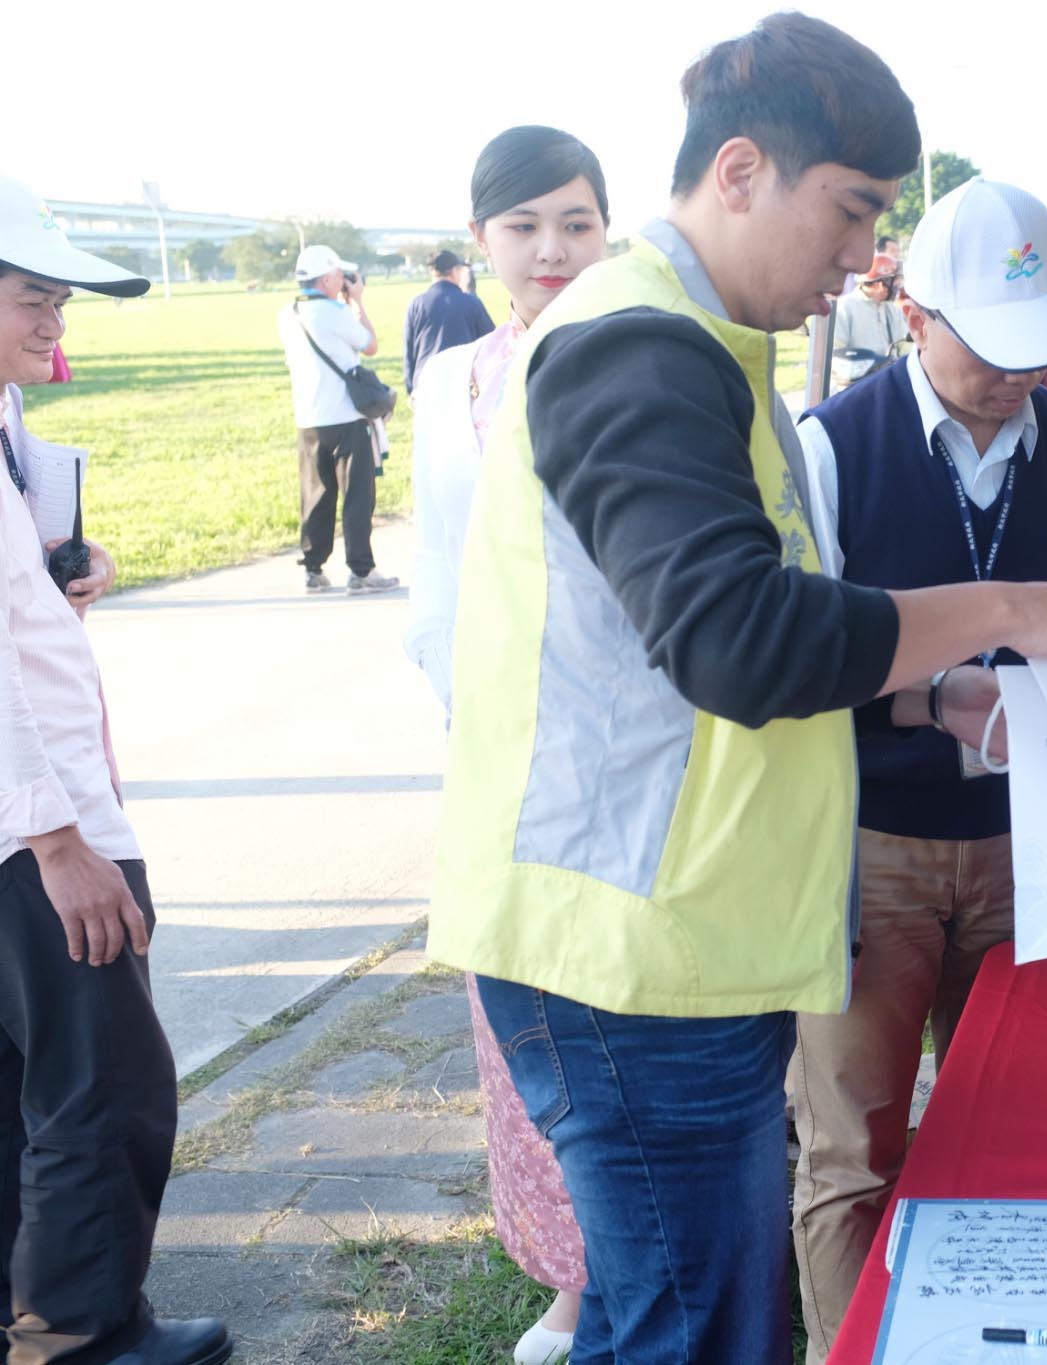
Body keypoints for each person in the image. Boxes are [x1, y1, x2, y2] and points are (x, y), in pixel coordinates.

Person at [428, 16, 1047, 1362]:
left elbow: (745, 659)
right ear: (741, 171)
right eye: (854, 209)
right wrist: (1007, 611)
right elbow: (742, 643)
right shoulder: (641, 346)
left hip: (688, 938)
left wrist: (933, 702)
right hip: (628, 954)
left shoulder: (700, 345)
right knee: (691, 1329)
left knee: (703, 1318)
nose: (863, 258)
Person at [790, 176, 1047, 1365]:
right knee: (852, 1148)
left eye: (1042, 349)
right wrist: (931, 699)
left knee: (1025, 1123)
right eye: (992, 347)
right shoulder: (831, 449)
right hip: (868, 850)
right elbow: (794, 674)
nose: (1020, 376)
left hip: (1029, 847)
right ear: (910, 314)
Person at [0, 175, 232, 1365]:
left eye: (60, 303)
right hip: (37, 830)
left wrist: (56, 572)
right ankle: (84, 1335)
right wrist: (57, 842)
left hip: (29, 818)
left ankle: (28, 1316)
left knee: (29, 1083)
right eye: (34, 299)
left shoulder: (7, 424)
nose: (56, 325)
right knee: (105, 1085)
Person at [401, 125, 609, 1365]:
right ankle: (574, 1282)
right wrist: (471, 710)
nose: (549, 249)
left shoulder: (657, 359)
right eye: (523, 226)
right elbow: (435, 579)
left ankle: (665, 1263)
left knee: (633, 1024)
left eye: (576, 223)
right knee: (523, 1026)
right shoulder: (451, 383)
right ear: (479, 240)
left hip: (632, 757)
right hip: (498, 754)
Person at [278, 244, 398, 595]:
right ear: (329, 277)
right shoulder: (336, 312)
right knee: (358, 495)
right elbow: (370, 345)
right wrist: (357, 300)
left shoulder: (288, 314)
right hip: (346, 416)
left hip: (308, 417)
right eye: (339, 276)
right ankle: (362, 570)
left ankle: (313, 569)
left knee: (316, 494)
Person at [402, 248, 494, 393]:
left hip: (425, 383)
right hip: (461, 383)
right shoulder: (471, 302)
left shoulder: (416, 304)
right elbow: (491, 343)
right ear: (454, 270)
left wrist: (410, 389)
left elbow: (409, 351)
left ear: (432, 272)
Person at [827, 252, 908, 388]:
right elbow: (836, 353)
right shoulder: (845, 307)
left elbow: (902, 345)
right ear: (880, 284)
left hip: (886, 382)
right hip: (854, 386)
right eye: (893, 281)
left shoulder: (892, 310)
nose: (896, 287)